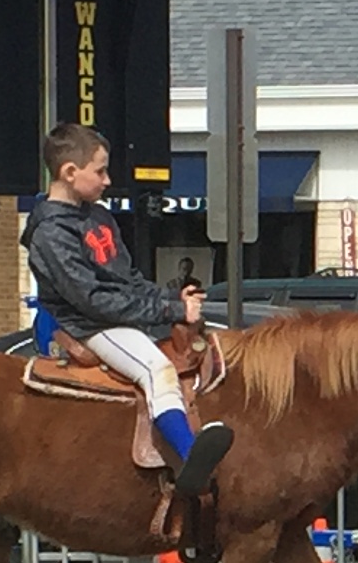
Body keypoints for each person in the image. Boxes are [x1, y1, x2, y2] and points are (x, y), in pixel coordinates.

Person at [26, 123, 231, 497]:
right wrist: (169, 311)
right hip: (89, 326)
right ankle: (190, 458)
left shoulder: (99, 216)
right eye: (100, 170)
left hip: (114, 317)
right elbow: (91, 298)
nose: (108, 180)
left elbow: (128, 278)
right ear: (69, 172)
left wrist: (170, 297)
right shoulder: (51, 233)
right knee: (158, 370)